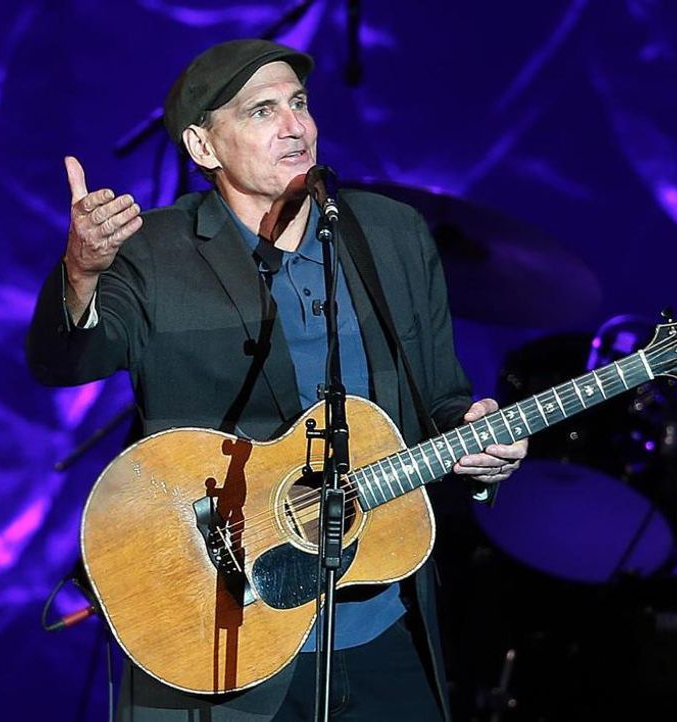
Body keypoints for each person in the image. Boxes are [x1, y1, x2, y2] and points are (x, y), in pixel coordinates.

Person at [27, 38, 528, 721]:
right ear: (204, 146)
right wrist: (82, 272)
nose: (295, 126)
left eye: (299, 103)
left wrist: (477, 445)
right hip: (223, 631)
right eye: (262, 111)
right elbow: (64, 362)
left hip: (379, 623)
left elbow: (442, 399)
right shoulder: (155, 251)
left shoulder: (393, 235)